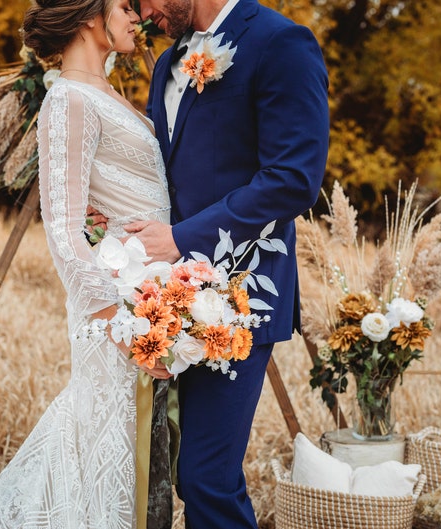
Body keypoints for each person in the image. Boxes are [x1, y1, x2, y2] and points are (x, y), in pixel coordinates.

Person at [0, 0, 172, 527]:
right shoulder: (68, 101)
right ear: (89, 17)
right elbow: (64, 231)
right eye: (123, 6)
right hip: (115, 313)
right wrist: (124, 330)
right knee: (105, 446)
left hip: (149, 301)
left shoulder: (105, 92)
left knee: (138, 451)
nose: (134, 16)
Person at [122, 0, 330, 527]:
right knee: (171, 473)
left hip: (240, 299)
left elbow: (293, 179)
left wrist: (182, 239)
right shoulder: (169, 62)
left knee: (206, 477)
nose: (142, 12)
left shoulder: (282, 43)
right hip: (167, 303)